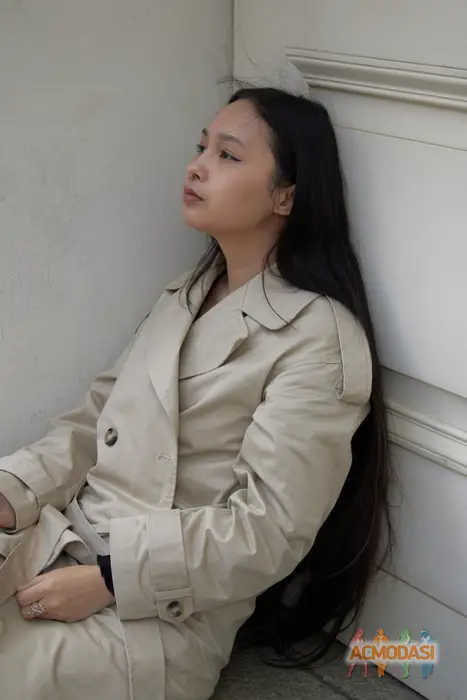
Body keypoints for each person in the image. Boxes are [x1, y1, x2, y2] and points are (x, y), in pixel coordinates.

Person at [0, 85, 393, 700]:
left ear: (287, 195)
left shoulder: (319, 337)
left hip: (155, 615)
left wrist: (112, 578)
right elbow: (97, 418)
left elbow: (271, 528)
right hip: (54, 539)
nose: (197, 166)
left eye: (228, 155)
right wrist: (13, 493)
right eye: (201, 147)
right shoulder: (189, 290)